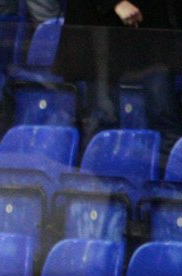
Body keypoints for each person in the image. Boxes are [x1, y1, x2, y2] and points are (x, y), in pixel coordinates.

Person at [54, 1, 182, 169]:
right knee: (101, 117)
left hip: (155, 28)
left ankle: (166, 188)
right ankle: (96, 186)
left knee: (163, 114)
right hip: (101, 29)